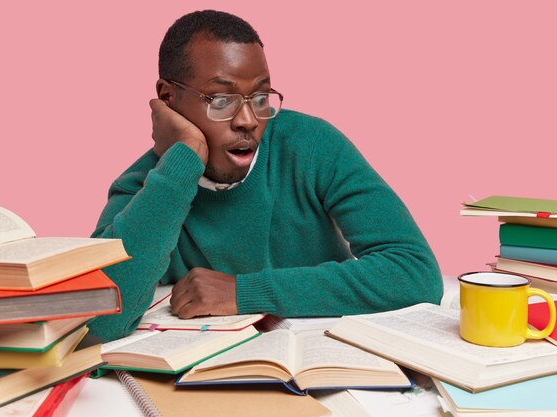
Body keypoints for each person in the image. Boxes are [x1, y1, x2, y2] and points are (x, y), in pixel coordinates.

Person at [89, 10, 443, 341]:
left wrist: (244, 292)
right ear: (168, 98)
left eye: (260, 97)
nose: (249, 120)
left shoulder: (312, 146)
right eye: (220, 100)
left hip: (324, 360)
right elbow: (99, 320)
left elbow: (415, 273)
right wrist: (182, 163)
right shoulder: (146, 187)